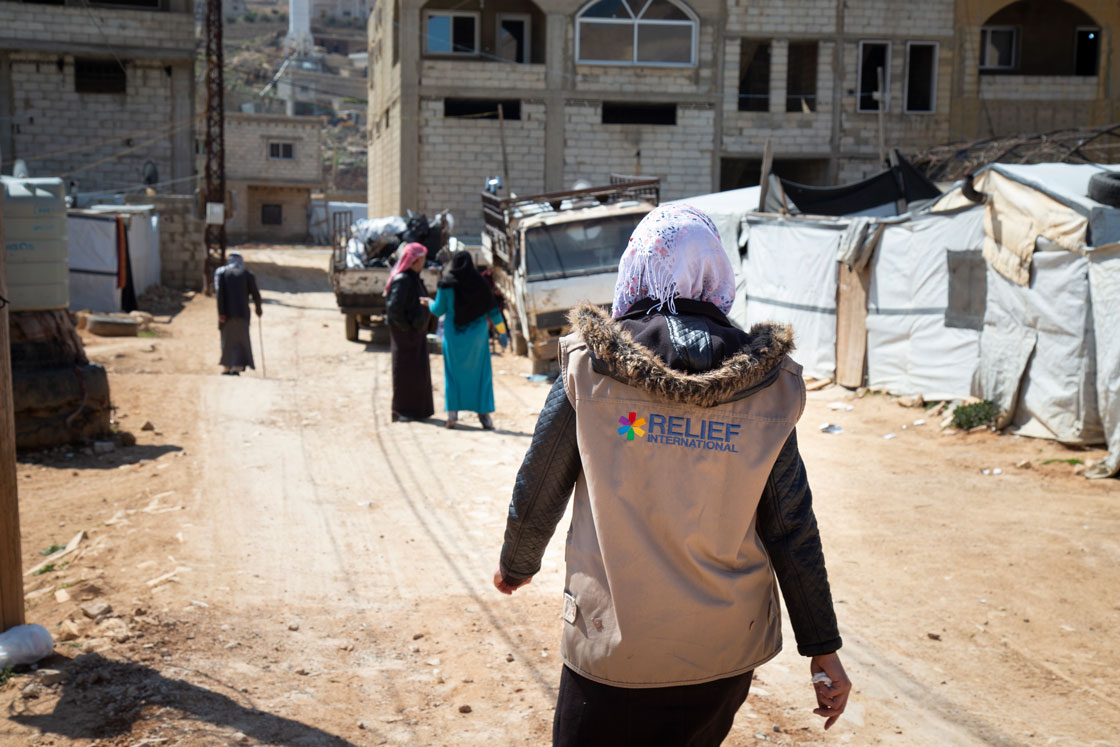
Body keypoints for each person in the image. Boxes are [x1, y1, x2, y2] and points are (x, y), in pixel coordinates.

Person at [492, 204, 851, 746]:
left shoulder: (591, 367)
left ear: (635, 267)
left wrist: (516, 565)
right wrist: (822, 648)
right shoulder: (766, 383)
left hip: (611, 648)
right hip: (722, 654)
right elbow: (791, 525)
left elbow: (540, 482)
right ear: (716, 272)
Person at [428, 251, 508, 430]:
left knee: (452, 375)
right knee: (481, 376)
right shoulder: (479, 283)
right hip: (478, 338)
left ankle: (452, 415)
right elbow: (493, 311)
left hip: (453, 336)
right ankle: (484, 417)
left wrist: (428, 303)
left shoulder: (446, 284)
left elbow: (438, 309)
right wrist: (502, 332)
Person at [385, 242, 435, 422]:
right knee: (405, 373)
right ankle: (402, 410)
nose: (424, 262)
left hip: (415, 334)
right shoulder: (403, 280)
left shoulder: (413, 278)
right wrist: (409, 329)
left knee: (417, 374)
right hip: (405, 337)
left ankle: (417, 410)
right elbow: (394, 310)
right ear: (414, 261)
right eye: (421, 258)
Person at [214, 252, 262, 376]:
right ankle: (237, 367)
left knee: (227, 340)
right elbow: (256, 294)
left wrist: (221, 313)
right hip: (242, 314)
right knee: (241, 340)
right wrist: (258, 309)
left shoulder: (223, 274)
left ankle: (227, 367)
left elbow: (220, 294)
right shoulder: (247, 274)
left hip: (227, 314)